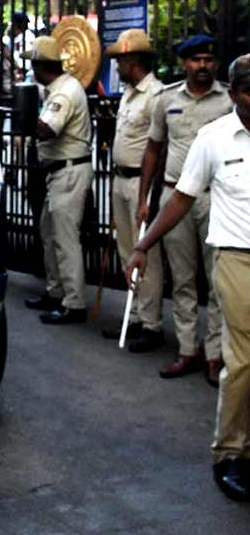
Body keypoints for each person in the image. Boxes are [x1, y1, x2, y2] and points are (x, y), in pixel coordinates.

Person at [126, 55, 250, 502]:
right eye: (249, 91)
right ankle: (231, 453)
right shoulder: (213, 139)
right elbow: (180, 199)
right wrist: (142, 246)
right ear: (234, 95)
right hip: (237, 259)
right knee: (244, 360)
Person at [139, 34, 233, 383]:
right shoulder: (166, 100)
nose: (202, 66)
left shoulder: (228, 99)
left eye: (208, 59)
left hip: (215, 197)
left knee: (218, 280)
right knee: (182, 280)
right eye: (195, 60)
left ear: (216, 64)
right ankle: (187, 351)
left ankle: (215, 355)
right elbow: (152, 149)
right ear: (184, 64)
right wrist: (143, 200)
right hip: (174, 196)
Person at [100, 29, 165, 353]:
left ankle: (151, 323)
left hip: (142, 181)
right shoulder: (128, 93)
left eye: (120, 60)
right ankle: (136, 316)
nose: (116, 66)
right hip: (120, 179)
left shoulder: (156, 94)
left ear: (133, 61)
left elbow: (159, 146)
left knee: (146, 254)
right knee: (128, 250)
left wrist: (147, 195)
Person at [22, 36, 93, 324]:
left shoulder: (63, 93)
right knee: (49, 232)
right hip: (60, 171)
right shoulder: (58, 89)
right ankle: (56, 291)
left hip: (68, 170)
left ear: (40, 65)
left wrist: (24, 113)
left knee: (64, 239)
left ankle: (74, 303)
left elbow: (46, 130)